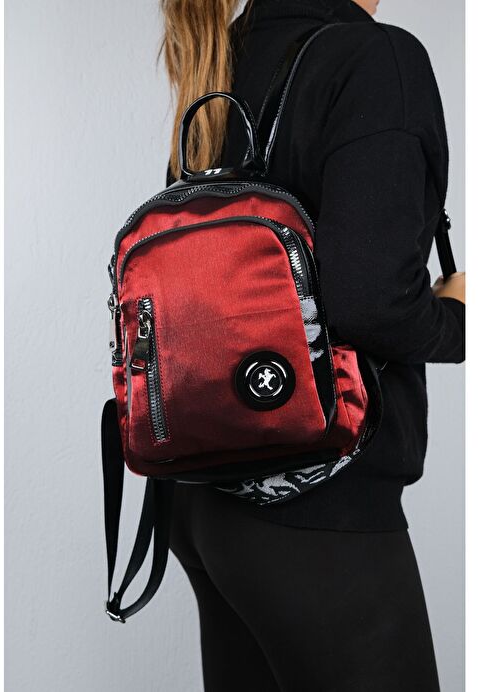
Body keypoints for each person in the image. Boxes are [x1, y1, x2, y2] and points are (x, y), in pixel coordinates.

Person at [162, 1, 466, 690]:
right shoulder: (374, 58)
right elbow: (372, 304)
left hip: (202, 497)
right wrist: (456, 319)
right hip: (319, 506)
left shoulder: (228, 50)